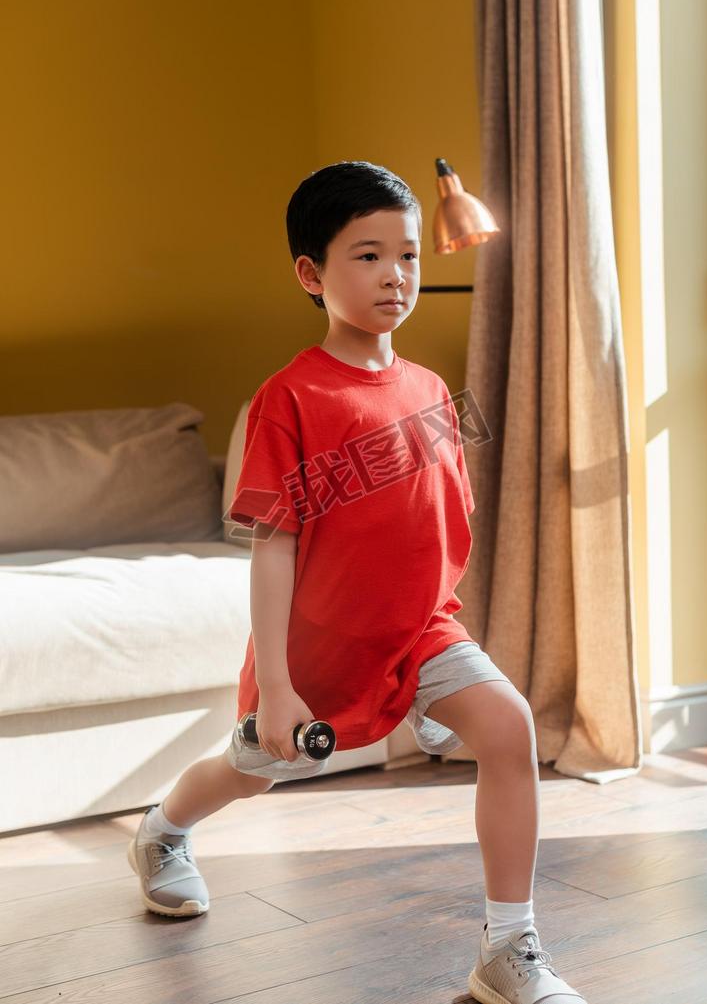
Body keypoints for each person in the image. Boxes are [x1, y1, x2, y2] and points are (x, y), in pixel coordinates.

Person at [127, 161, 587, 1004]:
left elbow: (438, 529)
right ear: (312, 274)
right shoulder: (290, 398)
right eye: (368, 255)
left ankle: (508, 946)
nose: (396, 276)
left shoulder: (432, 392)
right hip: (319, 648)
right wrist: (276, 680)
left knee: (509, 725)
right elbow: (273, 547)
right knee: (250, 768)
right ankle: (162, 832)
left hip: (420, 633)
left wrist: (439, 669)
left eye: (409, 256)